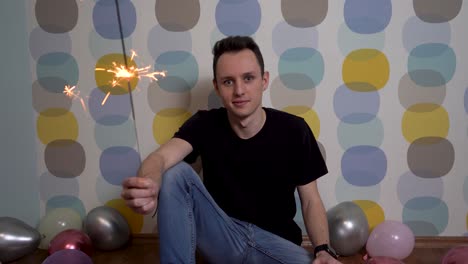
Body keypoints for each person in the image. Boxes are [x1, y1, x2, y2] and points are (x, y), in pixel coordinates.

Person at [121, 36, 341, 264]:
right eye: (228, 81)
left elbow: (310, 201)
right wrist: (149, 183)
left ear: (264, 81)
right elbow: (160, 158)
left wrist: (323, 250)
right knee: (174, 173)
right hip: (224, 239)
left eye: (248, 78)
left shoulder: (294, 129)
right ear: (217, 86)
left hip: (274, 246)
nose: (239, 90)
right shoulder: (204, 124)